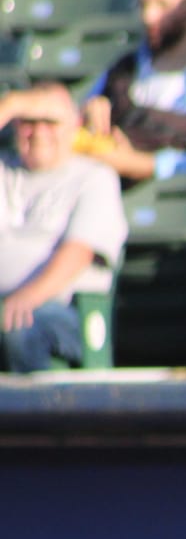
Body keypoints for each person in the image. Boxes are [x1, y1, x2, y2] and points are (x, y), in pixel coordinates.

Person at [0, 82, 127, 373]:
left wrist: (28, 297)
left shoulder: (94, 177)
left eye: (51, 122)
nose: (39, 132)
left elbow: (78, 253)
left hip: (66, 311)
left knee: (22, 326)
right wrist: (12, 103)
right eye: (29, 121)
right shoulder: (4, 170)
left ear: (75, 126)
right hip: (8, 305)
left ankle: (33, 419)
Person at [79, 0, 186, 181]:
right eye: (143, 5)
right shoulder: (123, 68)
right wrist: (87, 113)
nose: (148, 17)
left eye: (162, 5)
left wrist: (133, 163)